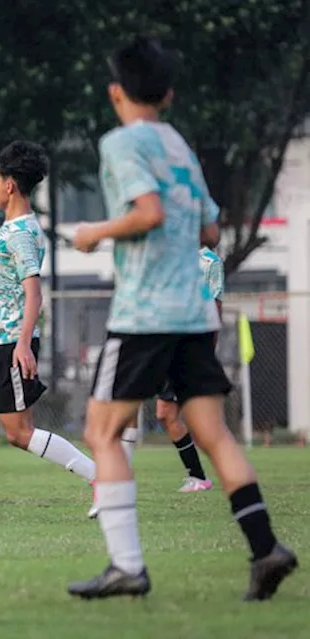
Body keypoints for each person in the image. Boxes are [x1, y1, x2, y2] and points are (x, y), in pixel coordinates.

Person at [68, 36, 296, 600]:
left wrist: (95, 232)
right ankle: (266, 548)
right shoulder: (178, 144)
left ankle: (126, 566)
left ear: (115, 92)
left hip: (145, 314)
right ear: (168, 93)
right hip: (195, 313)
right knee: (214, 434)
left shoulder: (122, 143)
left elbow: (148, 213)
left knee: (101, 431)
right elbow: (211, 230)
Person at [0, 141, 96, 526]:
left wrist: (24, 343)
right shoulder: (11, 231)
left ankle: (101, 477)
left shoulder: (20, 233)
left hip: (12, 343)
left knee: (19, 433)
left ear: (9, 185)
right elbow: (17, 260)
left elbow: (34, 292)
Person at [109, 246, 224, 500]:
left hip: (188, 349)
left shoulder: (209, 262)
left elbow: (215, 308)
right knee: (164, 414)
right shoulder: (168, 253)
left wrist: (207, 352)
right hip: (161, 345)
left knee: (192, 417)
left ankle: (205, 475)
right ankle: (198, 476)